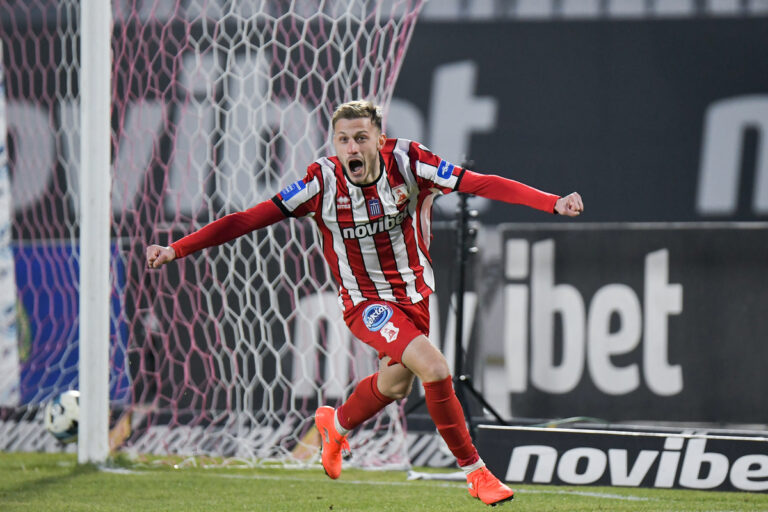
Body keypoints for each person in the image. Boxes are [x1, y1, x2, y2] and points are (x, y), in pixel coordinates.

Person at [146, 100, 583, 506]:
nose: (352, 148)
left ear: (379, 139)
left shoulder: (411, 162)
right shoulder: (320, 183)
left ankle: (334, 425)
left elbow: (480, 183)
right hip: (365, 302)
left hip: (415, 294)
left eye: (360, 138)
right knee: (435, 369)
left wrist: (552, 203)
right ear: (334, 143)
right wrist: (176, 249)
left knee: (395, 387)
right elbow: (246, 219)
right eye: (343, 140)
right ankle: (476, 472)